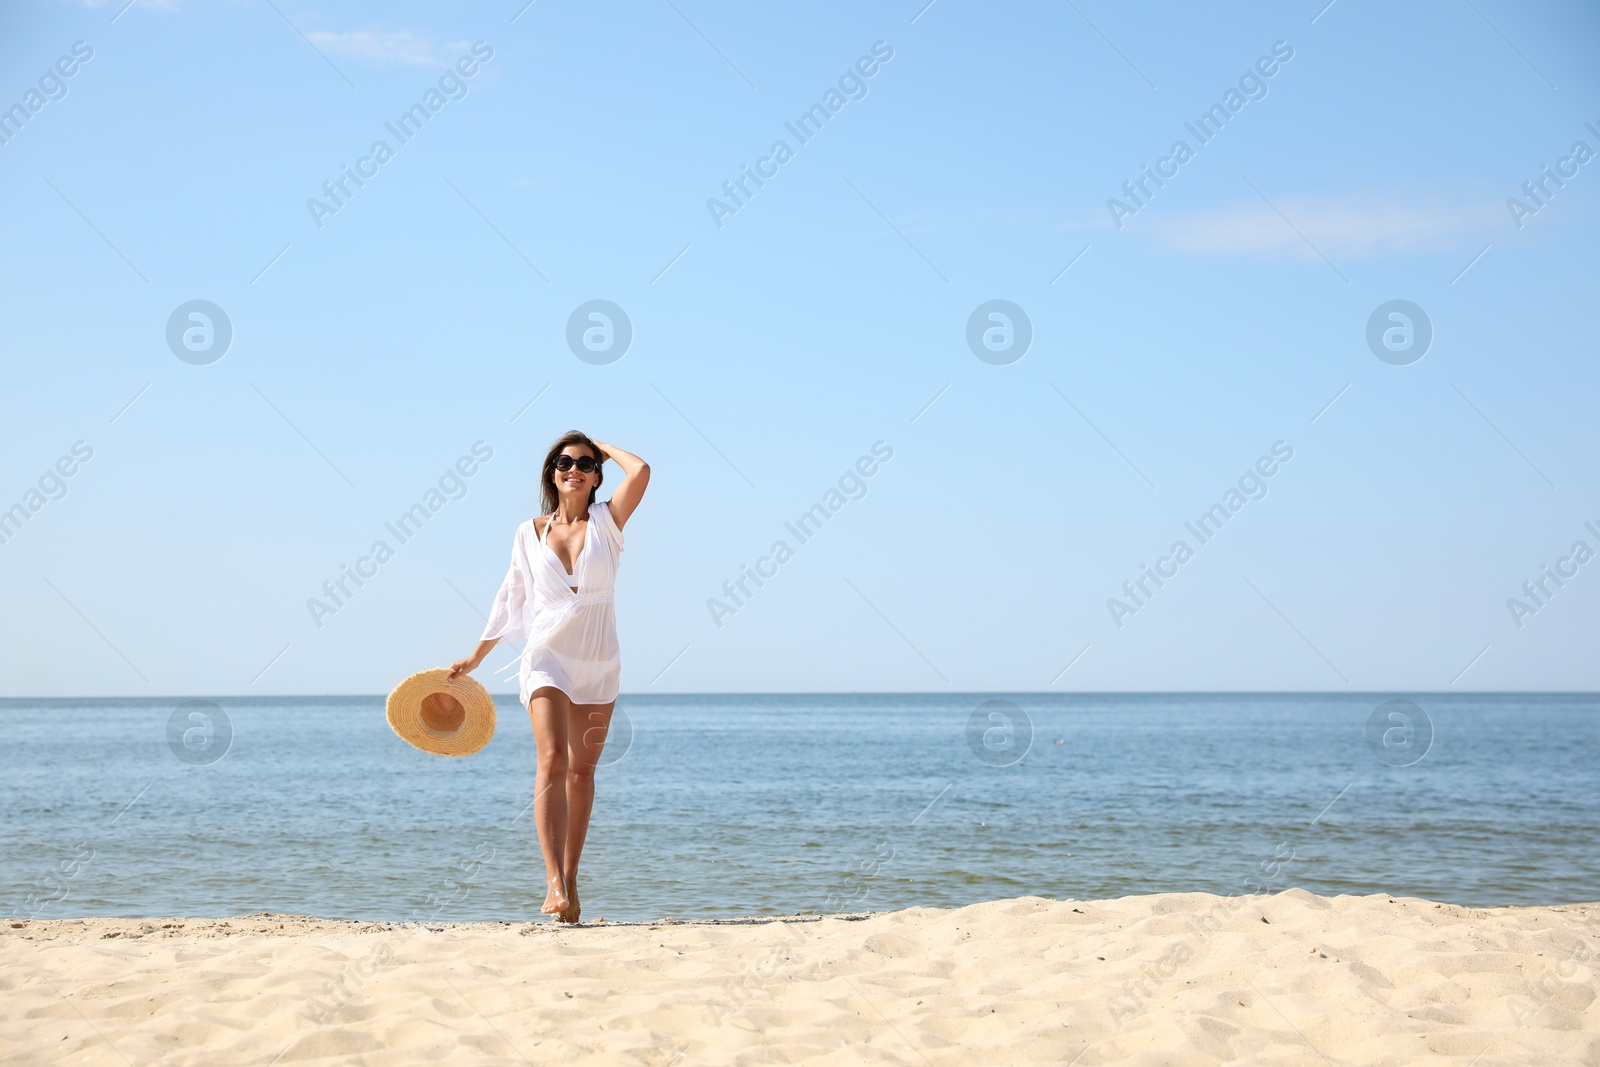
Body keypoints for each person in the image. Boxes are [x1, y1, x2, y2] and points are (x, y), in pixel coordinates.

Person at [450, 431, 649, 923]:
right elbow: (511, 594)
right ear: (552, 474)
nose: (573, 468)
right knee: (553, 759)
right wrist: (476, 657)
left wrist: (602, 444)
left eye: (584, 462)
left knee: (582, 773)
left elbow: (641, 470)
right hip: (547, 653)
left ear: (597, 474)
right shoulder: (529, 532)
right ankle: (553, 881)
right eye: (563, 462)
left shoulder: (609, 520)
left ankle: (573, 880)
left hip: (598, 654)